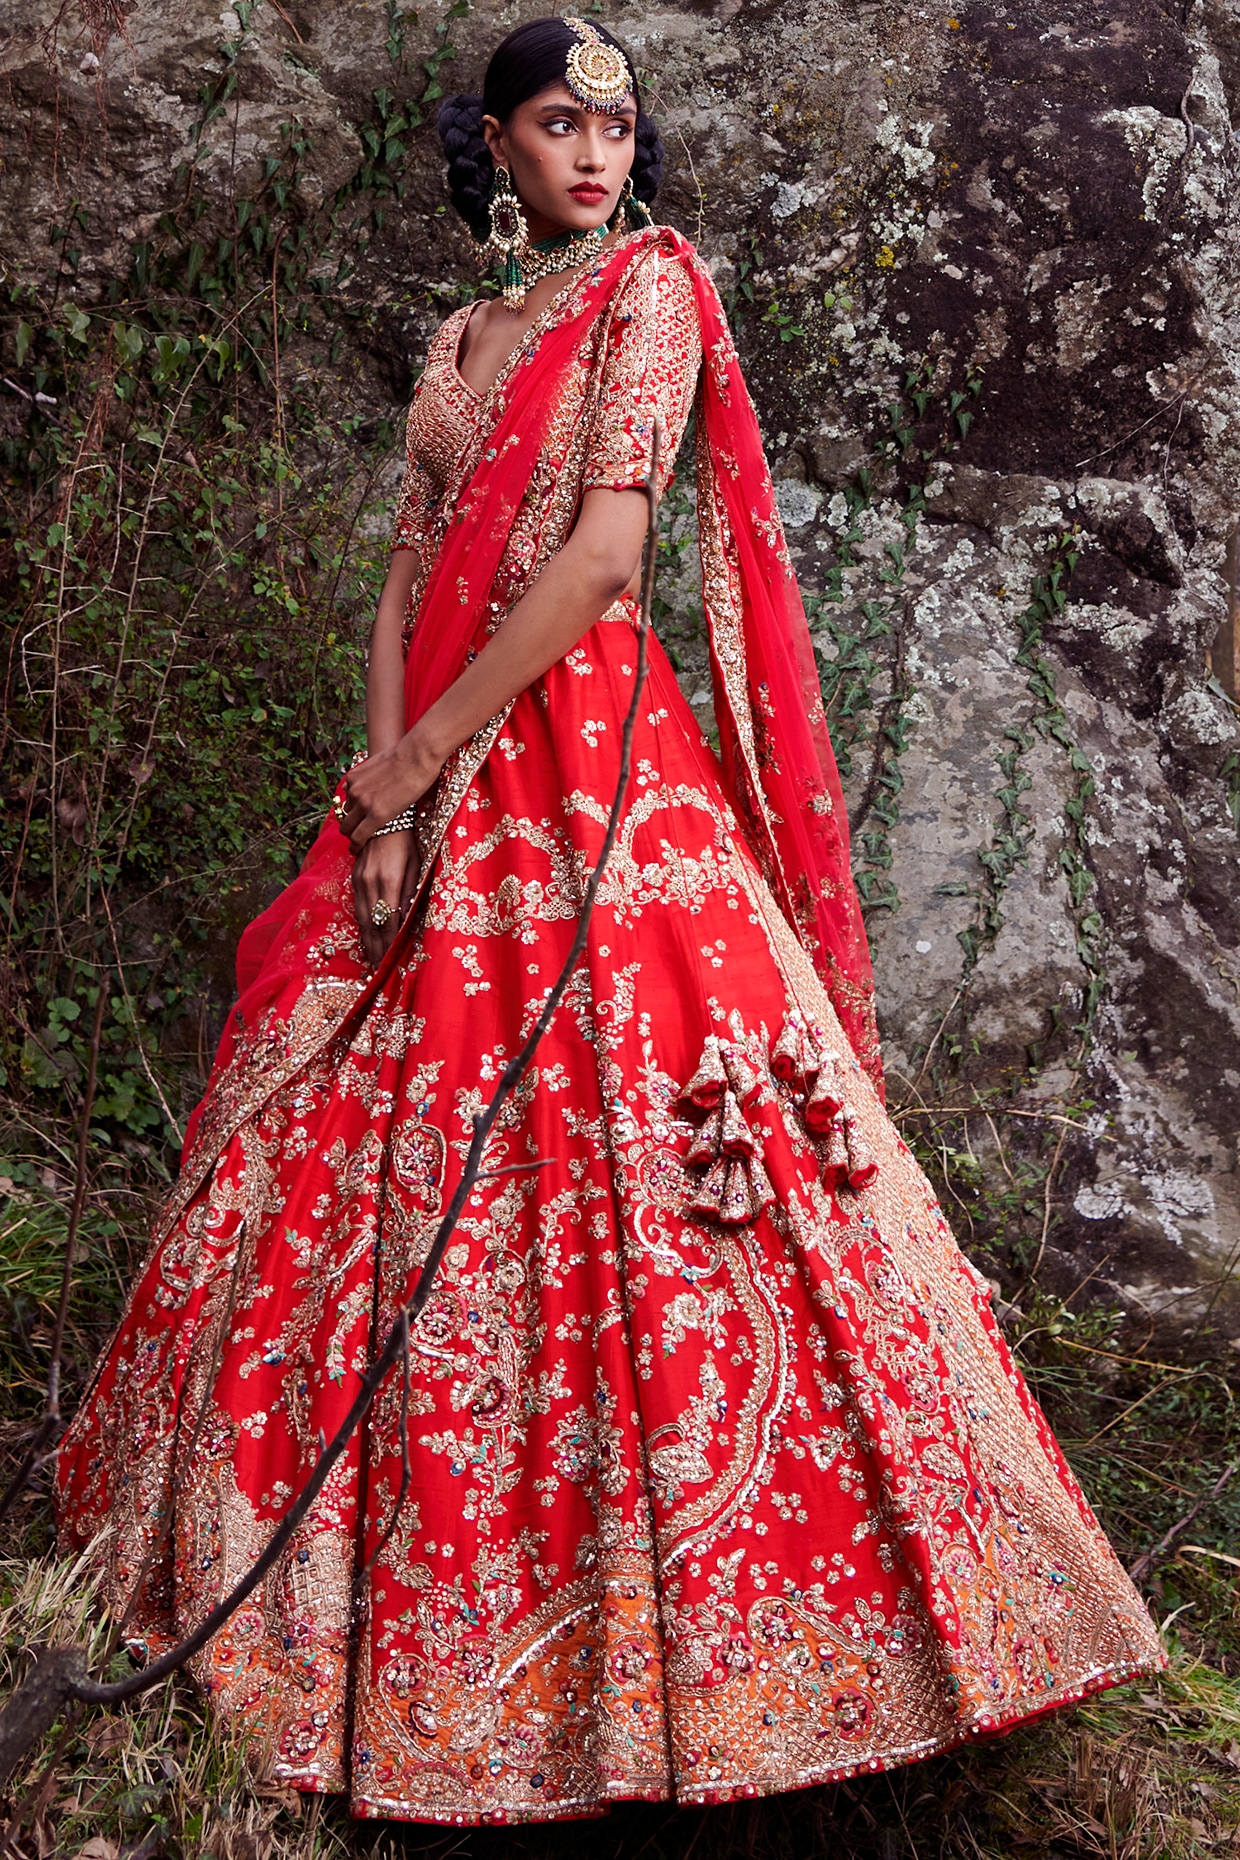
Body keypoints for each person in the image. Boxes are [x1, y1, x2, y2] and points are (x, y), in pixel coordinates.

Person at [57, 15, 1162, 1826]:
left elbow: (602, 562)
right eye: (561, 120)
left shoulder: (649, 290)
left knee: (655, 1157)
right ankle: (310, 1640)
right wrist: (377, 782)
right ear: (492, 142)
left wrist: (429, 770)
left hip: (582, 770)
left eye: (618, 121)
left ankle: (779, 1676)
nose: (598, 149)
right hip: (424, 757)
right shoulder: (458, 339)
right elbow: (408, 561)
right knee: (336, 1133)